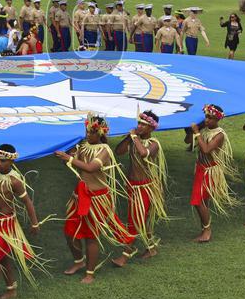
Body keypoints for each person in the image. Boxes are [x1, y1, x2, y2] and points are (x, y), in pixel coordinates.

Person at [55, 114, 129, 284]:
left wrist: (71, 158)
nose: (88, 134)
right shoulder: (84, 146)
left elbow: (90, 168)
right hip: (79, 195)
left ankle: (90, 273)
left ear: (101, 133)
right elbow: (75, 163)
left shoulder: (105, 150)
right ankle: (78, 262)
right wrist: (65, 155)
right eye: (87, 131)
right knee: (70, 232)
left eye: (92, 132)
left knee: (91, 236)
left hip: (97, 199)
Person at [0, 144, 43, 299]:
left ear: (11, 161)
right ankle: (11, 288)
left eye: (3, 161)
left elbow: (27, 201)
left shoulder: (14, 181)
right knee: (2, 257)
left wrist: (35, 222)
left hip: (6, 224)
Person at [112, 110, 168, 266]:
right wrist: (129, 137)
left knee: (135, 221)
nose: (140, 126)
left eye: (144, 124)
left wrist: (135, 137)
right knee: (141, 219)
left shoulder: (155, 144)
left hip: (145, 187)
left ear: (152, 128)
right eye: (139, 123)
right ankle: (151, 248)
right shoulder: (133, 139)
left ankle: (125, 255)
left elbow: (144, 154)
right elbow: (119, 151)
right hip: (132, 186)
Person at [188, 104, 237, 243]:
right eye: (206, 116)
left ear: (217, 119)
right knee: (202, 201)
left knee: (198, 202)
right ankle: (204, 229)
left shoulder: (219, 135)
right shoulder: (204, 128)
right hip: (200, 168)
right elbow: (188, 142)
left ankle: (207, 231)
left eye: (210, 118)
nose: (207, 120)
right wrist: (192, 132)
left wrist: (197, 133)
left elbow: (206, 150)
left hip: (210, 171)